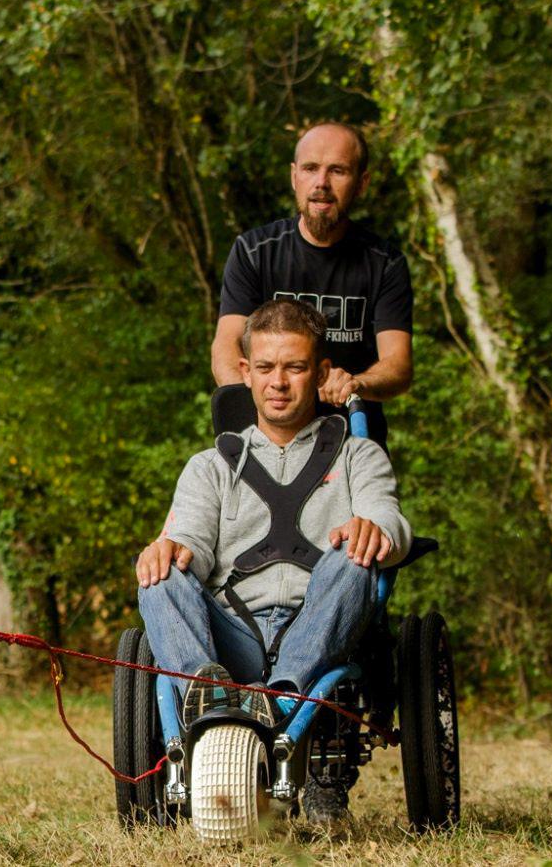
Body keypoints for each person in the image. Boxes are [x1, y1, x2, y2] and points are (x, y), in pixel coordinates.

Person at [133, 299, 412, 823]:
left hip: (321, 624)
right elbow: (190, 537)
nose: (277, 382)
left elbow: (391, 523)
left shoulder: (359, 456)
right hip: (231, 636)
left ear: (322, 372)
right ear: (246, 373)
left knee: (355, 556)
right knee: (158, 570)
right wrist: (170, 549)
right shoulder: (209, 467)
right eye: (265, 368)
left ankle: (283, 697)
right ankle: (208, 698)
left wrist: (372, 529)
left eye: (295, 367)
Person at [150, 120, 415, 575]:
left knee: (357, 551)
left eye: (338, 171)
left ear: (362, 182)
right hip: (263, 434)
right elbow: (225, 346)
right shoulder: (256, 252)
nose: (322, 183)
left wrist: (356, 382)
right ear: (294, 175)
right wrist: (262, 404)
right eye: (311, 168)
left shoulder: (384, 263)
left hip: (349, 435)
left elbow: (399, 365)